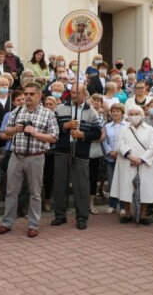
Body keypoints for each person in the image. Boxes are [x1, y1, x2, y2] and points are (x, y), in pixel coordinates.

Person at [0, 82, 59, 237]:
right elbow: (6, 132)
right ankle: (7, 222)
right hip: (16, 156)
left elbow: (54, 137)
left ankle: (33, 224)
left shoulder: (48, 114)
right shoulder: (17, 111)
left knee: (35, 193)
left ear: (39, 95)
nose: (28, 97)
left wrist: (36, 134)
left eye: (31, 94)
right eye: (26, 94)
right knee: (11, 191)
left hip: (36, 157)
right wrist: (15, 129)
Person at [52, 84, 102, 230]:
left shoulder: (91, 111)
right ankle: (60, 215)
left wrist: (83, 135)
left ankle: (81, 217)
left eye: (78, 93)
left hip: (81, 152)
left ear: (84, 94)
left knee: (81, 186)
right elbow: (52, 128)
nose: (74, 95)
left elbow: (98, 133)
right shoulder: (60, 108)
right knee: (60, 185)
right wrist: (65, 126)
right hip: (62, 151)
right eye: (72, 92)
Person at [110, 106, 153, 225]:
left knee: (145, 189)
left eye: (136, 113)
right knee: (125, 187)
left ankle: (142, 215)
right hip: (127, 162)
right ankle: (127, 213)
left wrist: (141, 159)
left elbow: (152, 147)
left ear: (142, 115)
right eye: (131, 113)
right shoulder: (124, 129)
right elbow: (120, 144)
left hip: (144, 164)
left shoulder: (150, 129)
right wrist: (130, 157)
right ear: (127, 116)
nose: (134, 115)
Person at [102, 103, 128, 215]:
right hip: (110, 158)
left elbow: (128, 141)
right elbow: (104, 141)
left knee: (123, 182)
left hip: (123, 158)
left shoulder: (128, 125)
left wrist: (121, 152)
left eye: (117, 111)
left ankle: (123, 207)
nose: (115, 113)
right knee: (112, 182)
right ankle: (112, 205)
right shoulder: (107, 126)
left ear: (122, 113)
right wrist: (110, 152)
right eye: (113, 111)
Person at [88, 94, 107, 215]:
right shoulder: (85, 113)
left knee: (94, 176)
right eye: (94, 100)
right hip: (83, 148)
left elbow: (103, 134)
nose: (96, 103)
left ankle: (91, 201)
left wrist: (89, 138)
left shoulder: (103, 115)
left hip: (96, 149)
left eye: (98, 101)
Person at [43, 96, 59, 211]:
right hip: (42, 150)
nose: (48, 106)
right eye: (46, 104)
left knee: (51, 176)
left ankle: (50, 199)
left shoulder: (58, 117)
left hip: (55, 150)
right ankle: (43, 199)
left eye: (51, 104)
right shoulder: (41, 116)